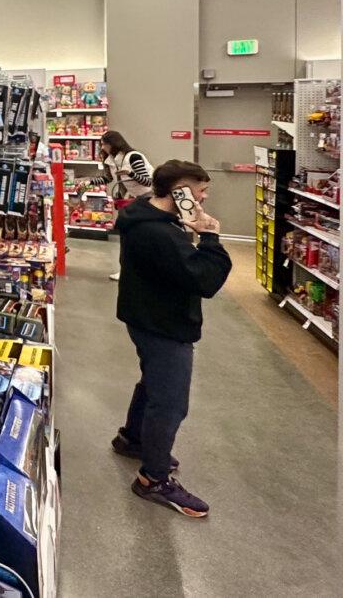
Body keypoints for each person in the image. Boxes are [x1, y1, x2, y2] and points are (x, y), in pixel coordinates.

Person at [111, 160, 232, 518]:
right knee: (170, 402)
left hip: (143, 316)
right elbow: (205, 280)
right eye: (201, 190)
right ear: (179, 192)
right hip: (165, 325)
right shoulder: (161, 234)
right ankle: (153, 478)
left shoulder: (143, 215)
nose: (205, 197)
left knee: (152, 382)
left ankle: (133, 439)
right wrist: (209, 236)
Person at [81, 130, 153, 280]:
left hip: (149, 199)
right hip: (133, 200)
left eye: (103, 144)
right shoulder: (110, 159)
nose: (102, 147)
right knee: (127, 236)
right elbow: (107, 178)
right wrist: (89, 182)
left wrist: (131, 173)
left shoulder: (133, 157)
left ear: (113, 144)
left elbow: (148, 181)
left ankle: (145, 270)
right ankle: (126, 270)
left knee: (143, 236)